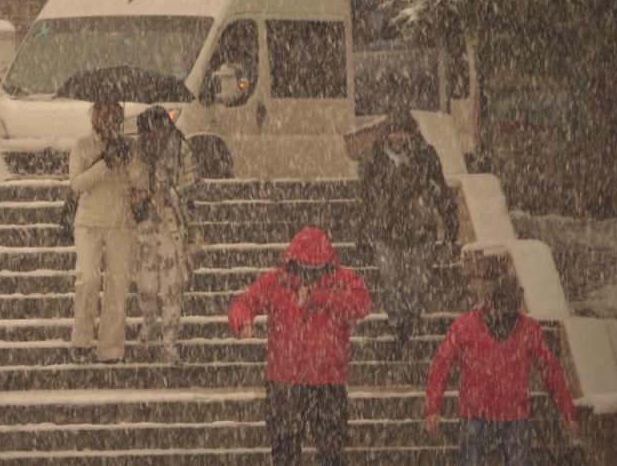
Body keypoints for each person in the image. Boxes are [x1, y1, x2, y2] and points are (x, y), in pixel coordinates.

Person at [228, 227, 371, 466]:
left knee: (330, 451)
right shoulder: (276, 281)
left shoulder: (342, 281)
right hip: (289, 380)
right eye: (304, 268)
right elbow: (243, 302)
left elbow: (361, 304)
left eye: (315, 269)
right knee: (286, 451)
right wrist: (242, 321)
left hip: (322, 380)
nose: (309, 274)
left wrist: (318, 296)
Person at [424, 276, 578, 466]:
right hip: (489, 413)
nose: (499, 314)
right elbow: (441, 365)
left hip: (498, 413)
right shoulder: (469, 326)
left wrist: (567, 410)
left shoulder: (472, 325)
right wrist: (432, 407)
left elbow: (551, 370)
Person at [357, 109, 459, 348]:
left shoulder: (425, 155)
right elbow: (366, 200)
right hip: (385, 232)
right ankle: (398, 323)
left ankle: (410, 317)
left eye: (403, 132)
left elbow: (440, 192)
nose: (398, 138)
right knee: (391, 281)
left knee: (417, 284)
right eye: (394, 132)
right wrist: (362, 231)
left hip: (419, 231)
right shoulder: (375, 159)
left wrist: (450, 227)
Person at [69, 99, 146, 364]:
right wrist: (105, 164)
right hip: (88, 223)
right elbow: (77, 183)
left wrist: (127, 161)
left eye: (115, 117)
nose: (109, 122)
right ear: (95, 118)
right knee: (87, 279)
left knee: (117, 286)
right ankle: (81, 341)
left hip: (121, 223)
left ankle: (111, 349)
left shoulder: (130, 147)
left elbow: (140, 183)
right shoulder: (82, 146)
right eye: (104, 116)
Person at [134, 105, 199, 365]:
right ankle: (149, 324)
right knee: (145, 287)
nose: (150, 137)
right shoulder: (136, 151)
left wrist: (168, 196)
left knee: (172, 289)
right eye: (146, 133)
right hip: (143, 229)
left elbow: (194, 185)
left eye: (154, 131)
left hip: (172, 229)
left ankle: (170, 342)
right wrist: (136, 197)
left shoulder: (180, 148)